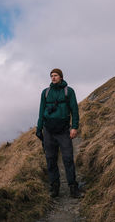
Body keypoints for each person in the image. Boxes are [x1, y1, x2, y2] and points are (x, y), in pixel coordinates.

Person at [36, 68, 80, 198]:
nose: (53, 78)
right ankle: (54, 188)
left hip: (63, 131)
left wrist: (74, 127)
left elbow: (75, 110)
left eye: (55, 75)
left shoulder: (69, 91)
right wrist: (39, 129)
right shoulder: (45, 92)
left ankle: (73, 188)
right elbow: (41, 111)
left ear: (61, 77)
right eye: (51, 76)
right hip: (48, 130)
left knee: (67, 159)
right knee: (50, 159)